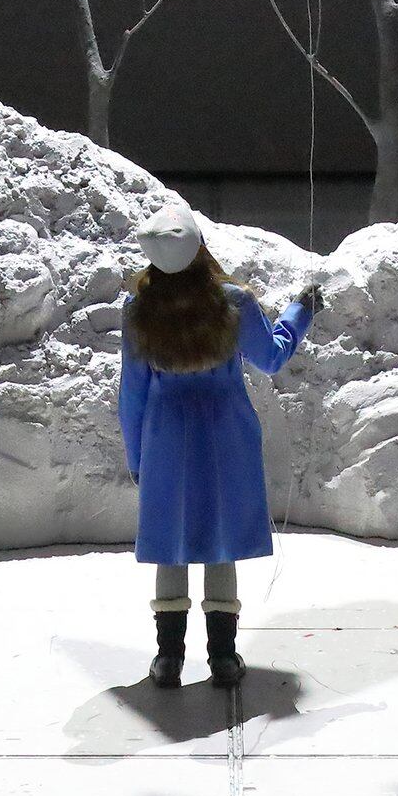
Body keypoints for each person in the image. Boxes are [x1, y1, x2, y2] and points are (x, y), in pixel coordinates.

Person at [118, 199, 323, 690]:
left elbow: (132, 392)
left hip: (165, 436)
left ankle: (168, 659)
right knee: (220, 543)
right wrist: (302, 310)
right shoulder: (232, 303)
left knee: (170, 544)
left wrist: (136, 456)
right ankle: (224, 658)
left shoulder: (138, 310)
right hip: (226, 433)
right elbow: (271, 357)